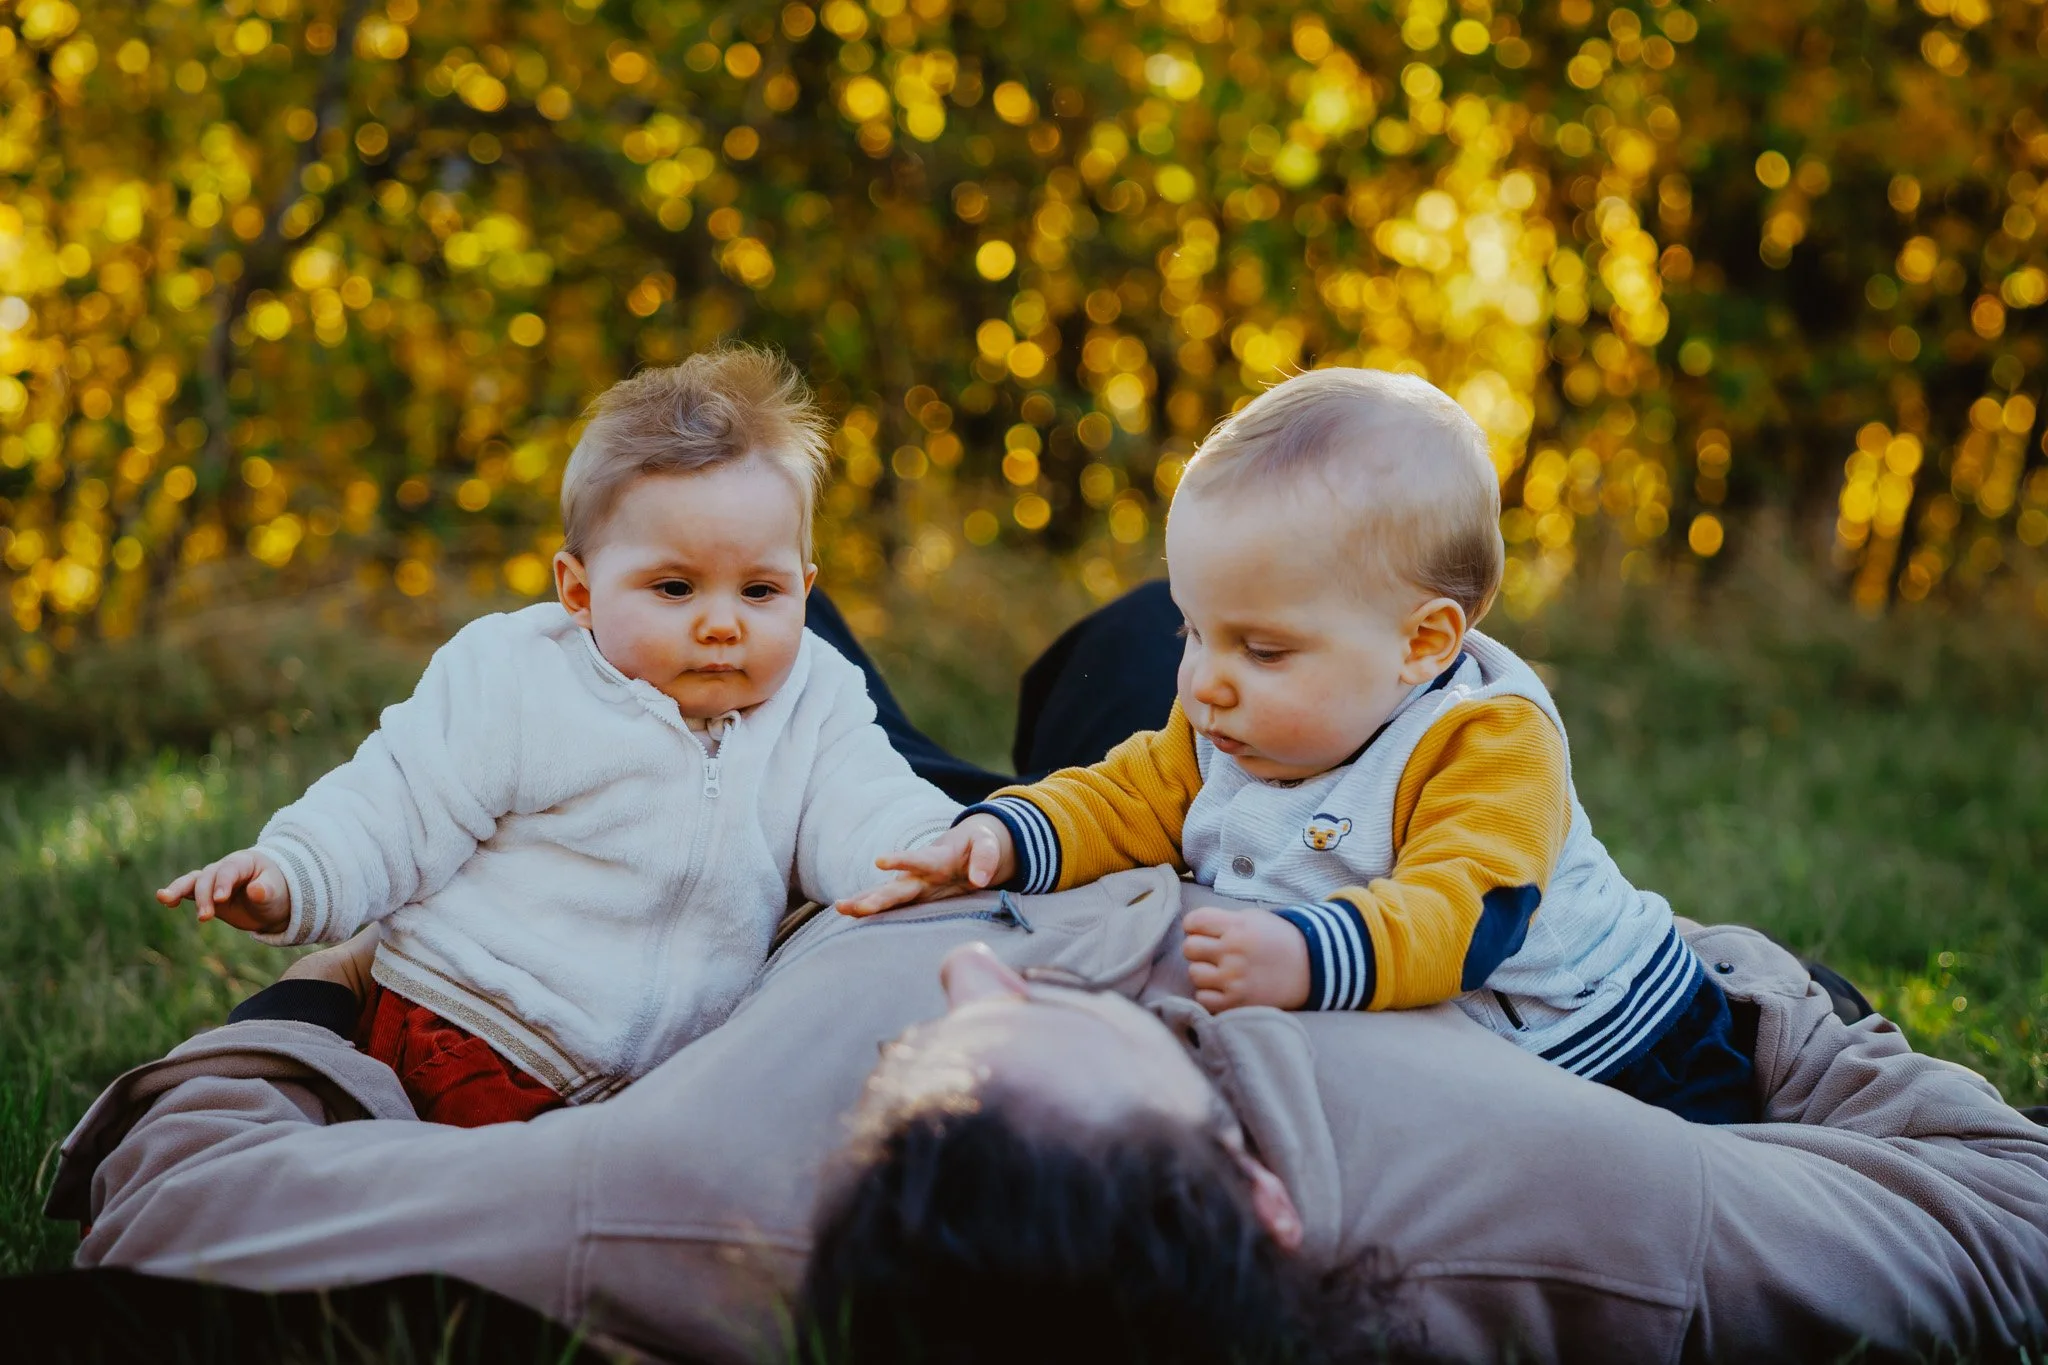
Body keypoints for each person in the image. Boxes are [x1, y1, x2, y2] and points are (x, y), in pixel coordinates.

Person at [846, 369, 1750, 1123]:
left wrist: (1306, 954)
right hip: (1427, 1039)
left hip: (1623, 1052)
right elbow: (1125, 799)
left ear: (1422, 643)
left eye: (1262, 649)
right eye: (1192, 633)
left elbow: (1460, 913)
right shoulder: (1234, 727)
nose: (1207, 681)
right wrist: (1001, 837)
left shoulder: (1484, 742)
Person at [151, 347, 959, 1125]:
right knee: (483, 1196)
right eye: (674, 587)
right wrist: (294, 873)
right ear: (580, 588)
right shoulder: (520, 678)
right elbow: (395, 800)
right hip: (474, 1029)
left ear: (806, 588)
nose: (722, 623)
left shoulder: (815, 698)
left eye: (760, 590)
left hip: (663, 1076)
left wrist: (939, 848)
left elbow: (868, 804)